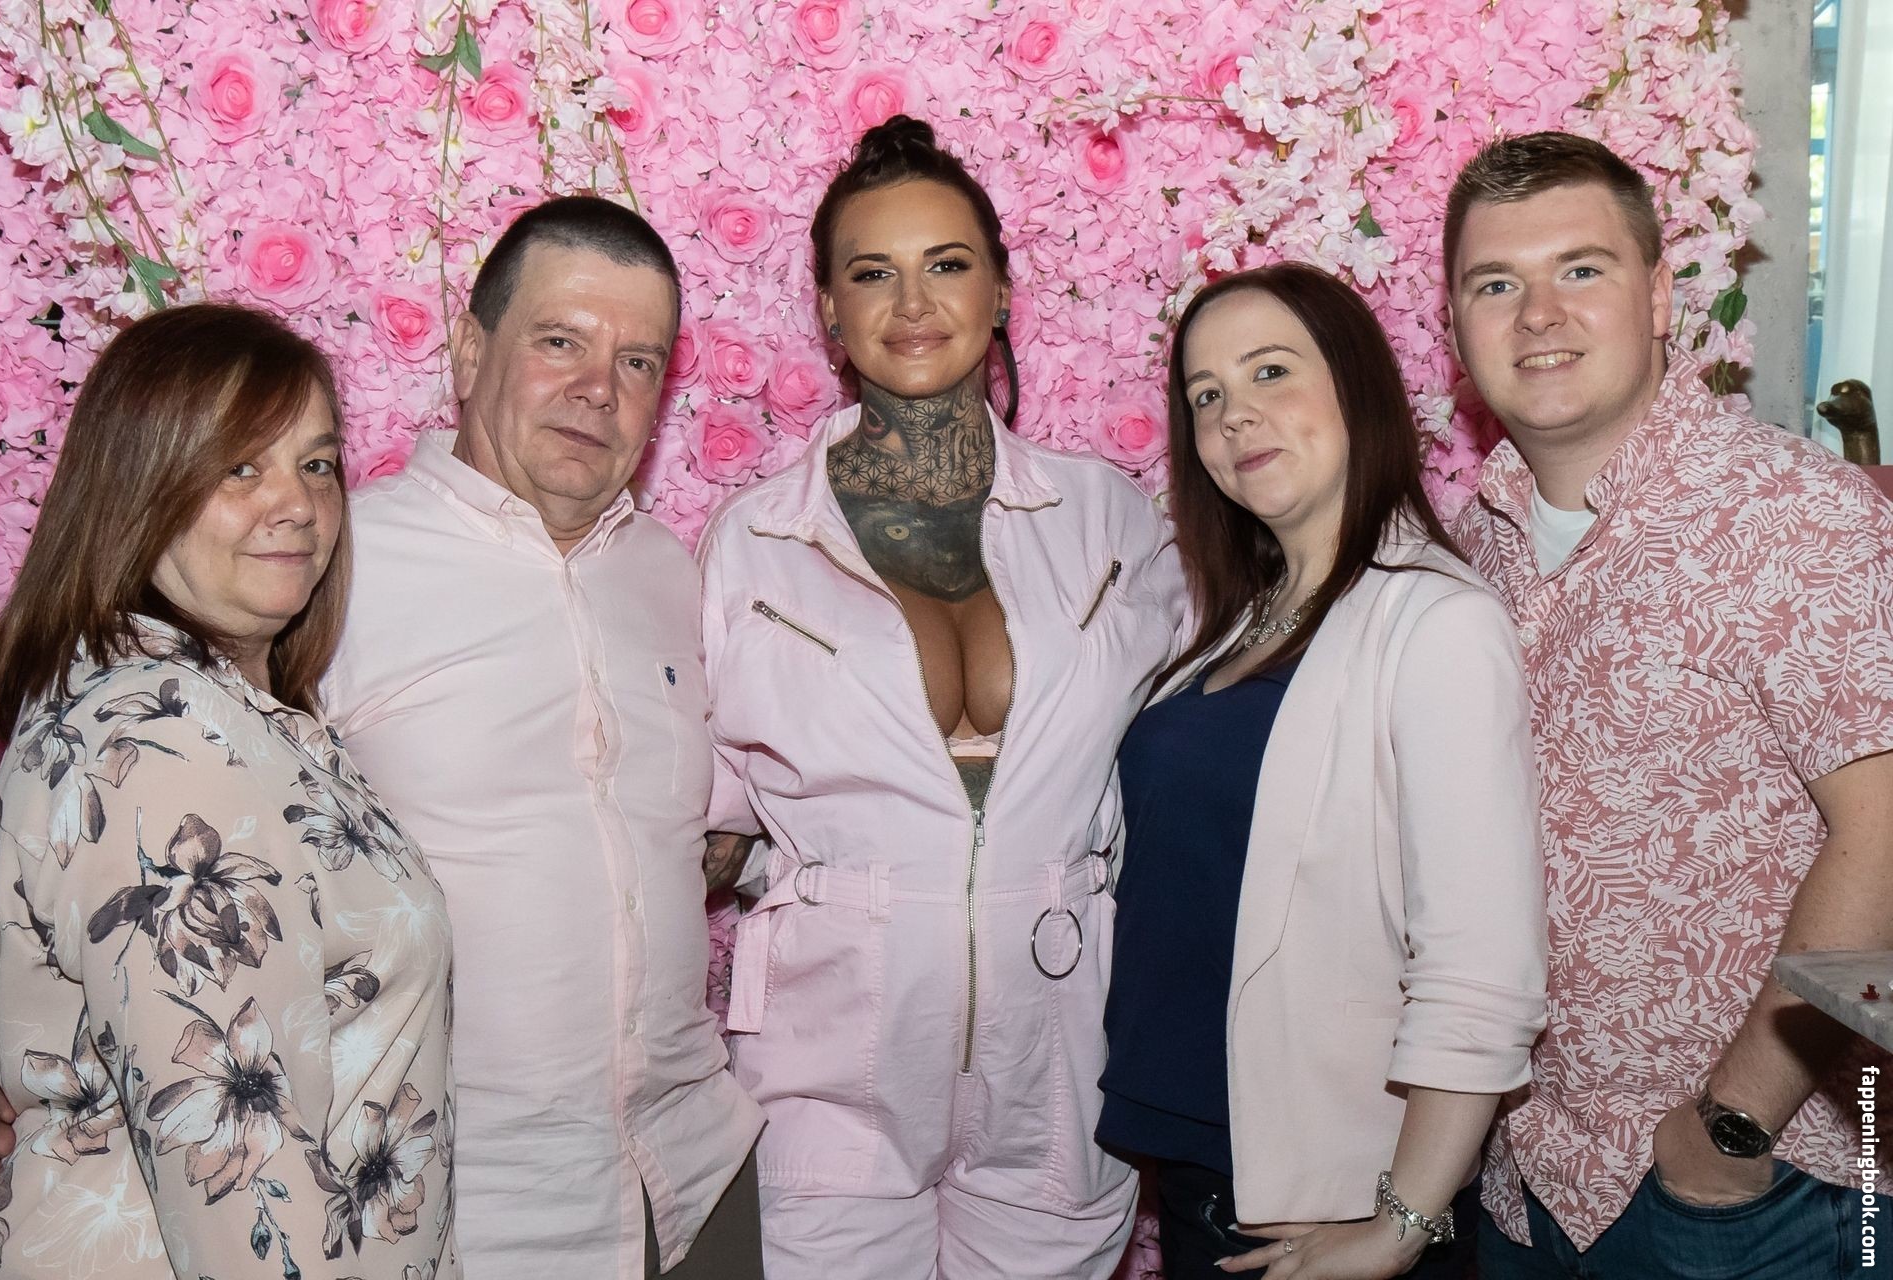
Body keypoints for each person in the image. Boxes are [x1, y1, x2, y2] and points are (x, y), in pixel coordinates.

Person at [697, 115, 1187, 1278]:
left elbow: (1185, 758)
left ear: (1002, 290)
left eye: (947, 263)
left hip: (1061, 1055)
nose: (912, 302)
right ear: (828, 309)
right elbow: (705, 823)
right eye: (873, 272)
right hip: (828, 1058)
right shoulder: (754, 540)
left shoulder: (1108, 519)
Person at [1444, 131, 1893, 1279]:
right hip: (1528, 1184)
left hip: (1765, 1198)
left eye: (1581, 269)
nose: (1539, 314)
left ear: (1657, 297)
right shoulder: (1469, 550)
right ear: (1456, 325)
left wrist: (1730, 1128)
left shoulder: (1798, 515)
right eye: (1496, 284)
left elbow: (1887, 828)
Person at [315, 197, 763, 1278]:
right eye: (560, 341)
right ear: (471, 351)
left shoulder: (669, 572)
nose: (598, 388)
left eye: (638, 361)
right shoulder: (334, 564)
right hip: (465, 1208)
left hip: (694, 1179)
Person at [0, 304, 456, 1277]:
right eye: (240, 466)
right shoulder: (161, 743)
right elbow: (241, 1177)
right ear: (138, 483)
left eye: (316, 464)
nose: (297, 503)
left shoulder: (219, 715)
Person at [1097, 264, 1548, 1280]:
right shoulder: (1240, 623)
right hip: (1206, 1162)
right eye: (1206, 394)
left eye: (1270, 371)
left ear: (1356, 385)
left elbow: (1482, 962)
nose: (1234, 414)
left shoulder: (1437, 621)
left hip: (1329, 1191)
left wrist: (1402, 1223)